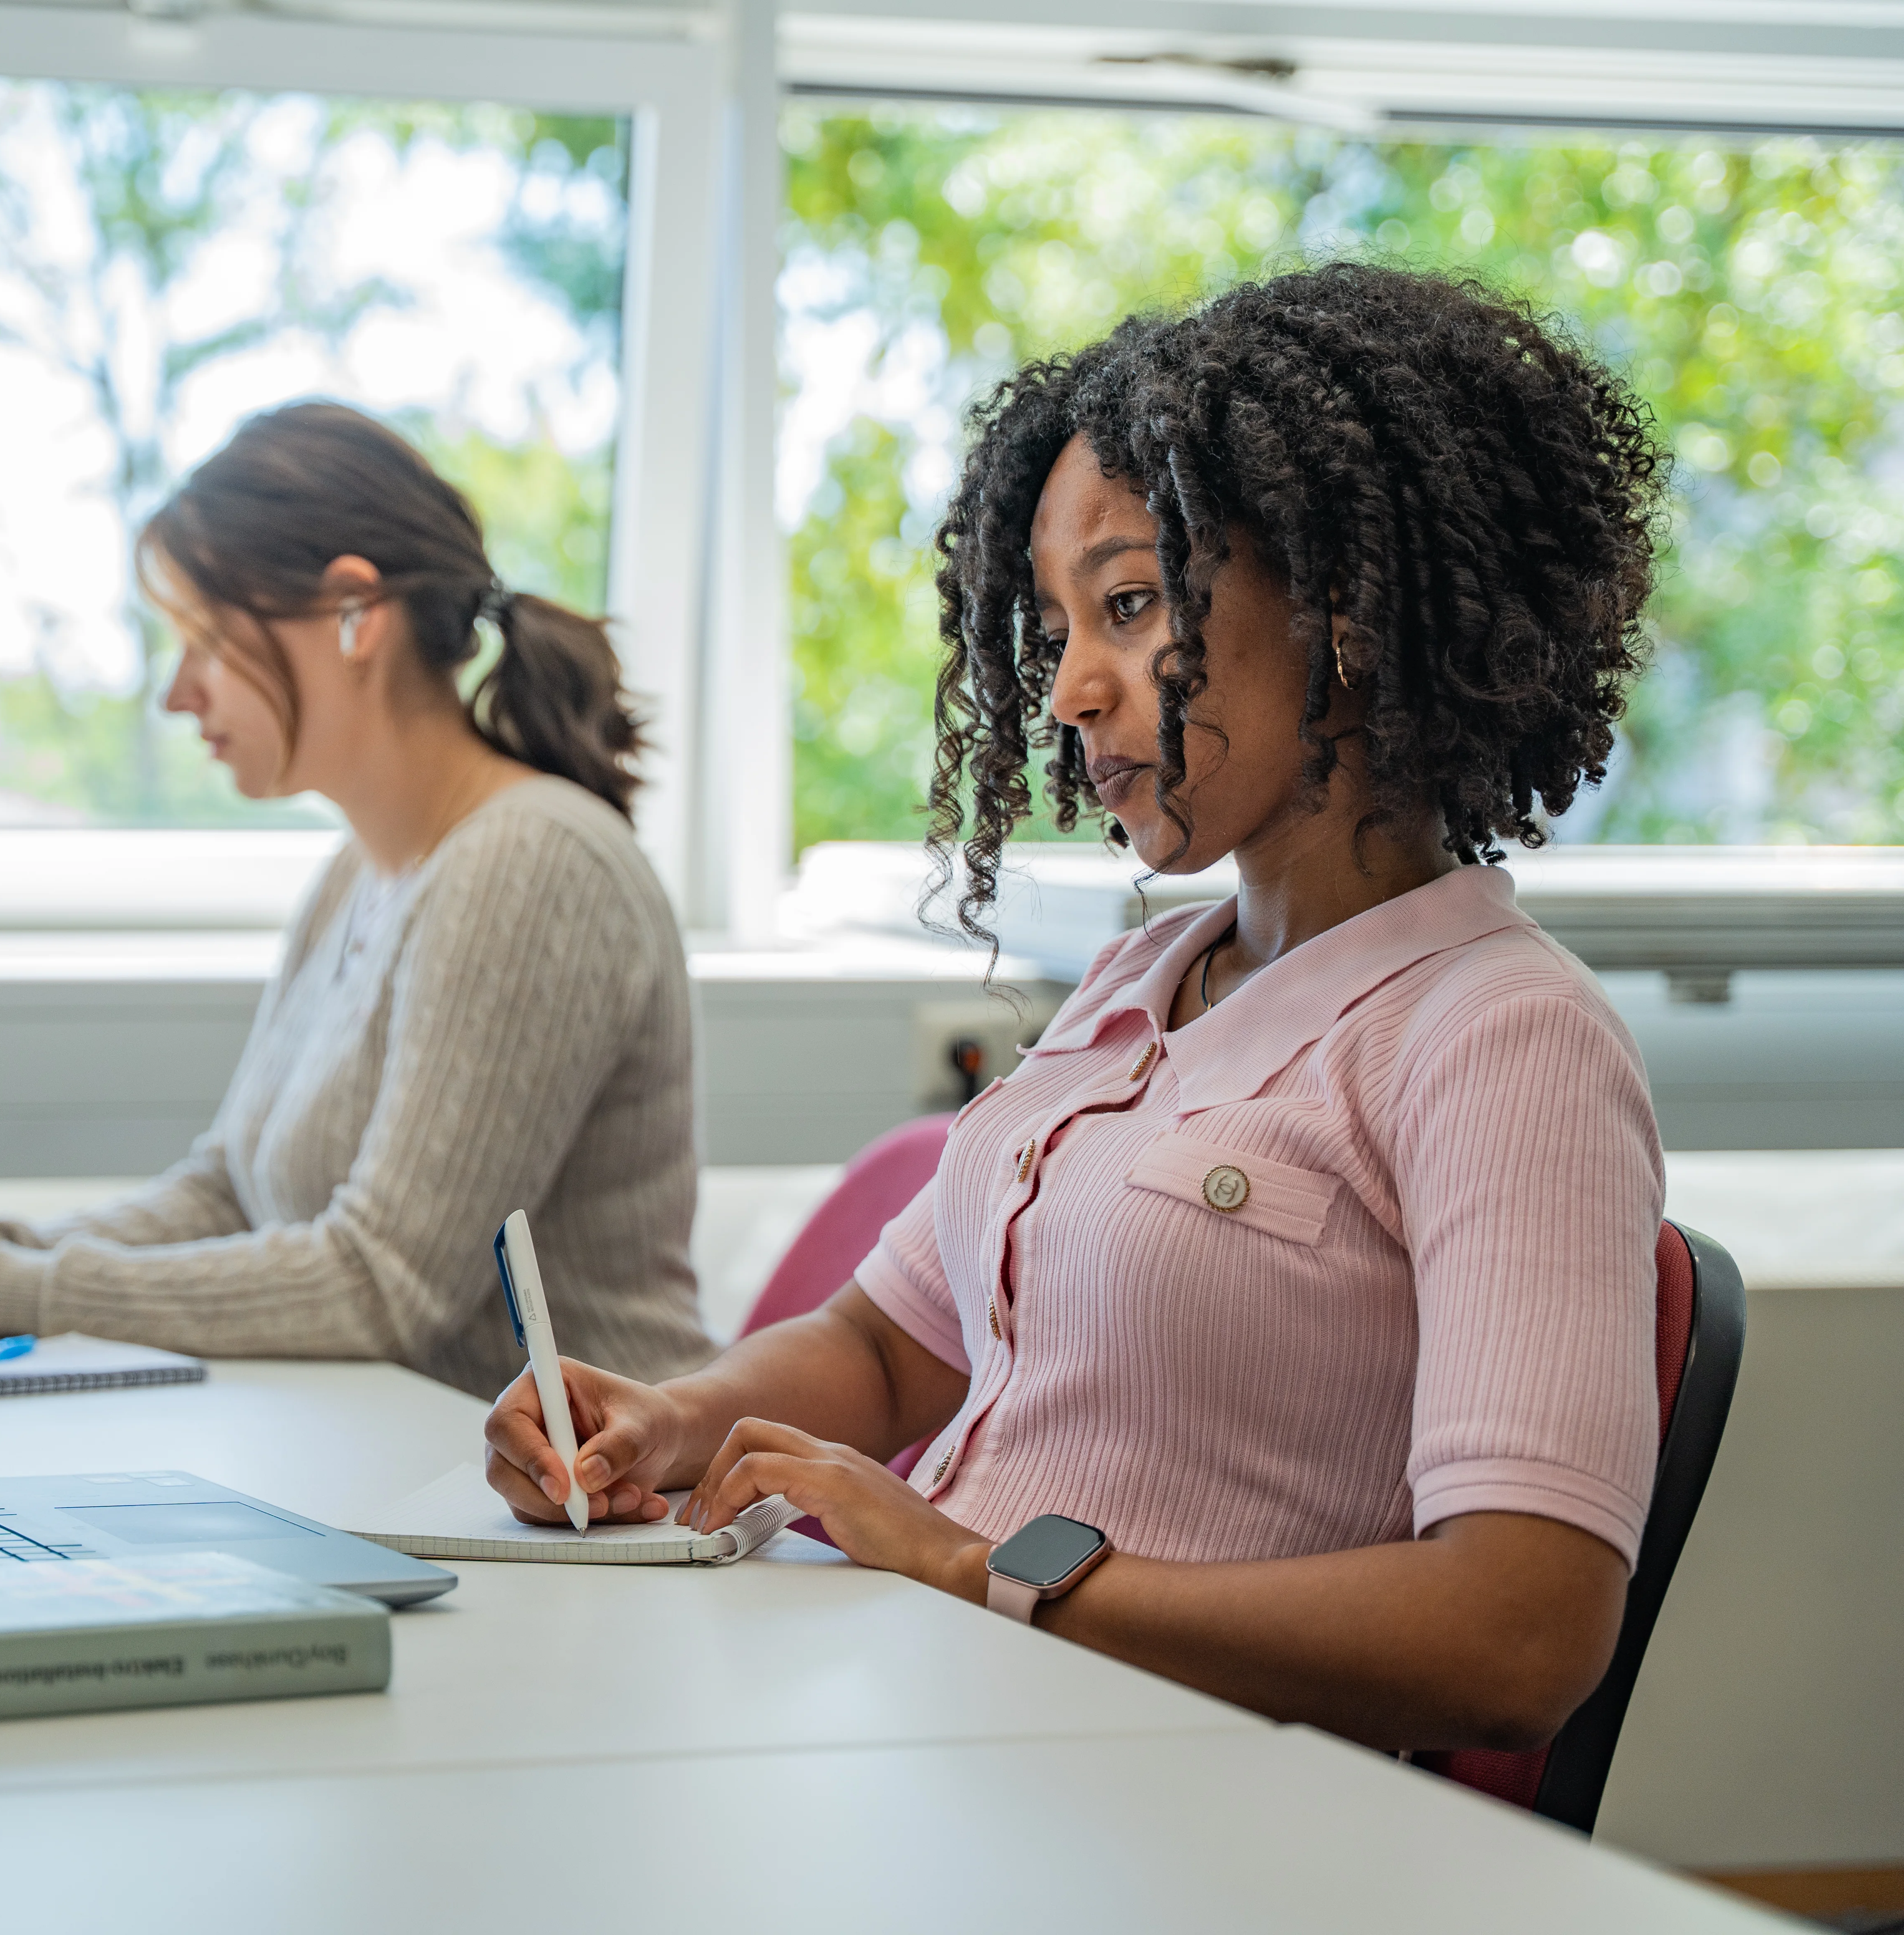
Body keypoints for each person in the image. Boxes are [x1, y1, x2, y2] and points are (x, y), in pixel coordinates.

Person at [485, 262, 1674, 1756]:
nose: (1063, 692)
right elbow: (879, 1347)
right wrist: (672, 1421)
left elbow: (1517, 1629)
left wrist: (983, 1573)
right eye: (1054, 629)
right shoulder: (1136, 982)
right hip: (936, 1729)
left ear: (1347, 613)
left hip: (1151, 1805)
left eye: (1125, 605)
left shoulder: (1499, 1039)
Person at [0, 403, 715, 1400]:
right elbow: (228, 1192)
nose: (178, 695)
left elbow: (384, 1286)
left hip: (605, 1515)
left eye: (205, 639)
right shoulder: (361, 873)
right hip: (415, 1465)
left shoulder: (531, 863)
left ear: (352, 612)